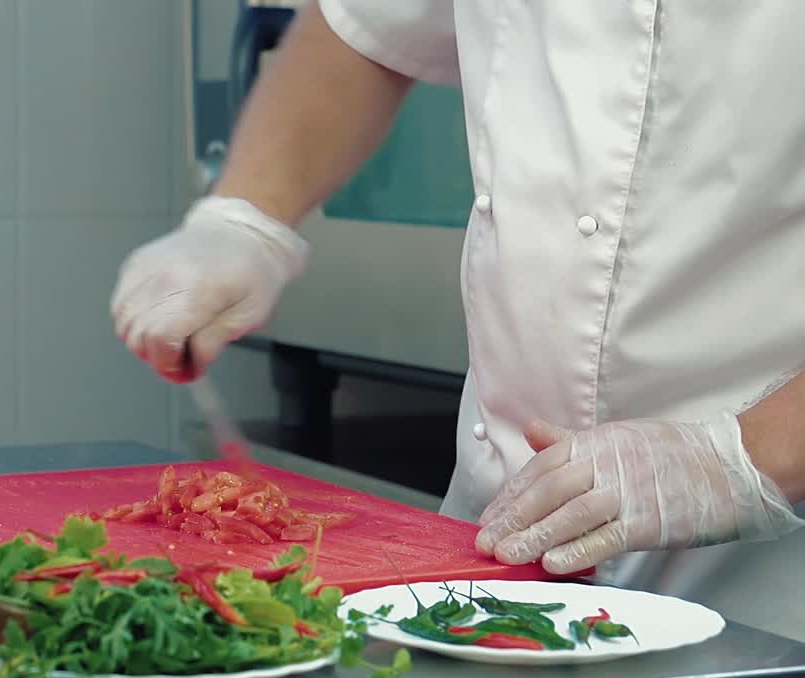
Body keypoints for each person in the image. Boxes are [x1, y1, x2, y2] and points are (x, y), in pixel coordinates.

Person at [110, 1, 805, 641]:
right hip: (489, 563)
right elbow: (369, 26)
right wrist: (246, 217)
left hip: (771, 574)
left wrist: (738, 461)